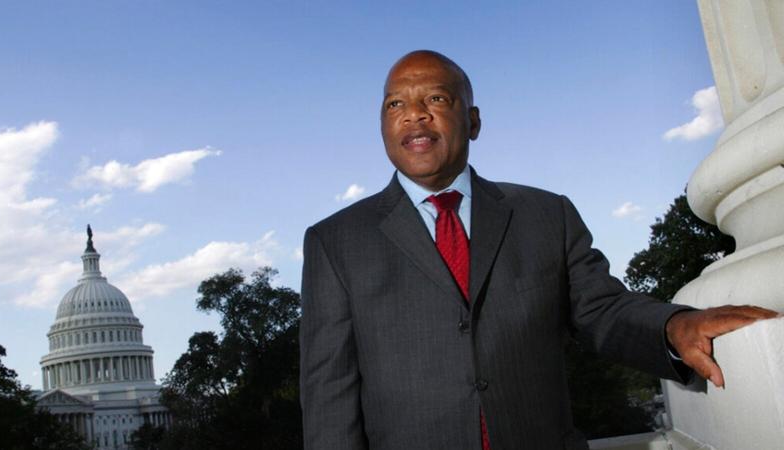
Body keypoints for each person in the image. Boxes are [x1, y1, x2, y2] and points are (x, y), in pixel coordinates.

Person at [299, 50, 777, 450]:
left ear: (473, 121)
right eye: (395, 103)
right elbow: (329, 393)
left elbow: (602, 310)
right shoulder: (334, 242)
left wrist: (673, 327)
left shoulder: (547, 215)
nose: (414, 113)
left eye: (436, 98)